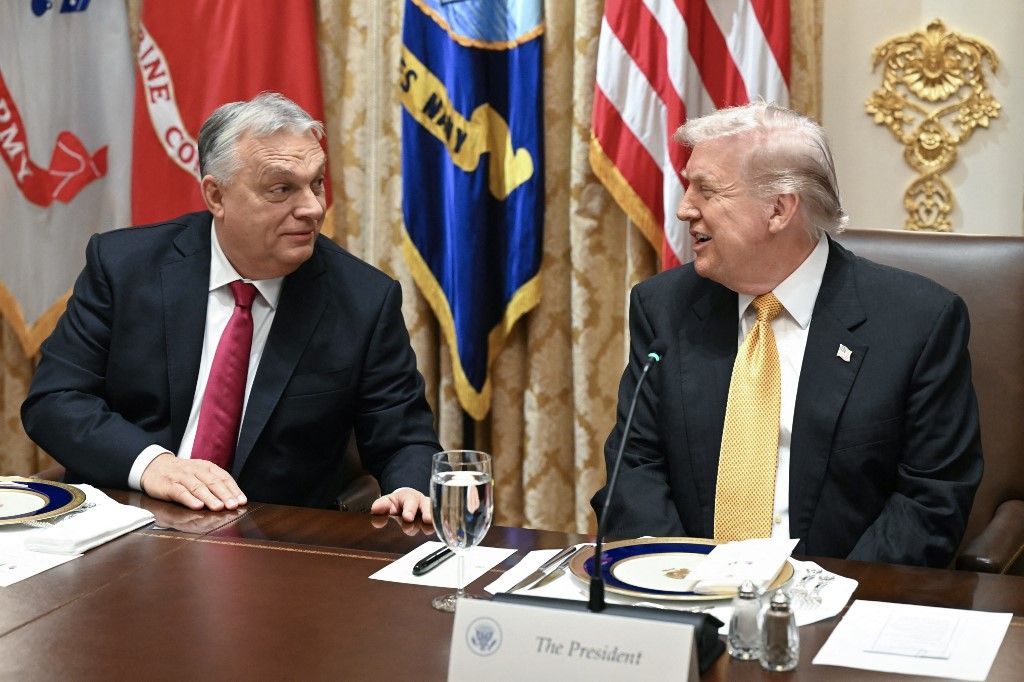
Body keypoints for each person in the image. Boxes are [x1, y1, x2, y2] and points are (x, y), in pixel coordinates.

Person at [591, 102, 982, 567]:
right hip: (685, 599)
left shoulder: (918, 323)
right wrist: (680, 580)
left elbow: (930, 500)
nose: (683, 208)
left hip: (843, 605)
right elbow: (634, 468)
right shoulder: (663, 308)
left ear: (778, 209)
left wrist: (831, 597)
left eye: (706, 190)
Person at [22, 92, 439, 522]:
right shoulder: (125, 267)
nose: (314, 208)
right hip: (126, 523)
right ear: (216, 196)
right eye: (282, 189)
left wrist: (410, 488)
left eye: (316, 183)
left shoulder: (363, 300)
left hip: (272, 546)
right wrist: (151, 465)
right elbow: (55, 400)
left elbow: (405, 439)